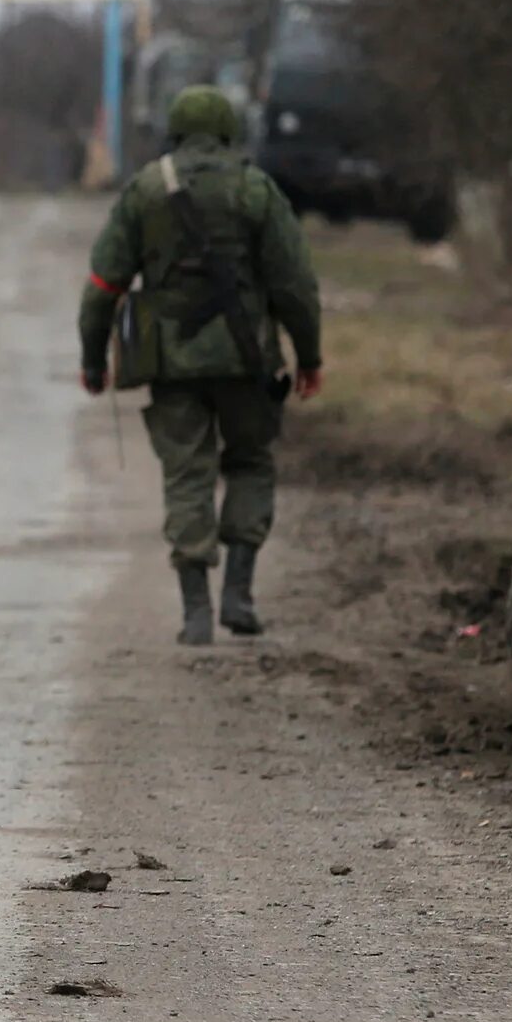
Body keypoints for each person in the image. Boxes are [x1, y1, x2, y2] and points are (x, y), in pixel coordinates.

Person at [78, 86, 323, 645]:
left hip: (173, 364)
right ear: (230, 131)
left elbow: (102, 286)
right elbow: (295, 287)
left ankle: (195, 612)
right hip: (248, 359)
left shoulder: (145, 189)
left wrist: (95, 361)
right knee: (250, 464)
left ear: (175, 131)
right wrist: (309, 357)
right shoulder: (256, 189)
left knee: (187, 473)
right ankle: (239, 593)